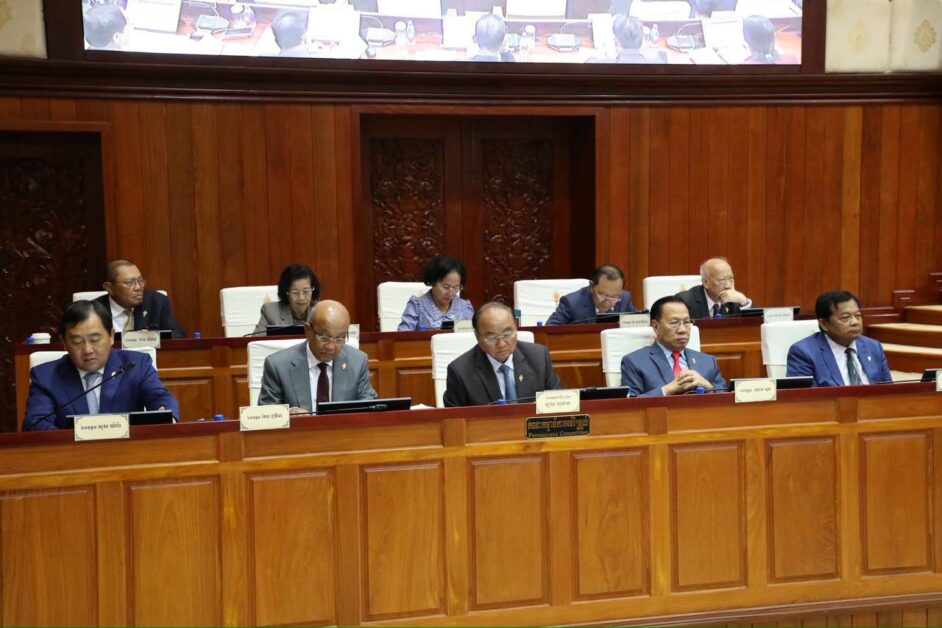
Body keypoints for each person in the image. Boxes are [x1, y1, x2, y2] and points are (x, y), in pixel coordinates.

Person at [23, 300, 179, 431]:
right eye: (77, 341)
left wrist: (165, 414)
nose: (87, 350)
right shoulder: (45, 376)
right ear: (64, 343)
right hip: (71, 454)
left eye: (95, 339)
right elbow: (36, 422)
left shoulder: (135, 365)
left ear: (111, 336)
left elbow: (159, 397)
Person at [258, 300, 376, 413]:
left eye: (339, 339)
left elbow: (369, 407)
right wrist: (287, 413)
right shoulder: (278, 366)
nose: (331, 347)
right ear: (308, 331)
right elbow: (266, 413)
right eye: (324, 338)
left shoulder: (358, 362)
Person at [443, 302, 561, 407]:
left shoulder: (539, 357)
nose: (501, 344)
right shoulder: (460, 372)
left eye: (507, 334)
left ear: (516, 328)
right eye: (491, 337)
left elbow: (558, 403)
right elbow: (454, 419)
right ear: (477, 336)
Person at [620, 296, 726, 396]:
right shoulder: (634, 362)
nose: (682, 330)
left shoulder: (708, 361)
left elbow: (727, 396)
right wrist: (667, 390)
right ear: (655, 326)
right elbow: (630, 403)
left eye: (686, 322)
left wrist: (708, 387)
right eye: (674, 323)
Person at [786, 291, 892, 386]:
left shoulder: (873, 347)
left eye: (857, 316)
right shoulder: (804, 352)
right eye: (845, 318)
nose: (855, 322)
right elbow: (806, 398)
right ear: (824, 324)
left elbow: (889, 391)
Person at [94, 260, 186, 338]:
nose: (138, 287)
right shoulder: (94, 310)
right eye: (130, 282)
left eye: (140, 280)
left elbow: (177, 334)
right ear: (109, 288)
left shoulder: (156, 302)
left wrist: (150, 337)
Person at [398, 256, 474, 331]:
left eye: (455, 287)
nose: (450, 293)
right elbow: (403, 336)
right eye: (446, 287)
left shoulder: (465, 308)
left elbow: (473, 335)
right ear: (433, 282)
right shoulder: (416, 306)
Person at [546, 264, 637, 325]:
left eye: (614, 297)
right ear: (592, 286)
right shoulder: (571, 303)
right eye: (603, 295)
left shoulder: (625, 298)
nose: (607, 302)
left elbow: (637, 324)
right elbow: (550, 328)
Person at [676, 257, 752, 319]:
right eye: (722, 280)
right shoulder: (685, 302)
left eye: (731, 279)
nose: (728, 286)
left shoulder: (735, 300)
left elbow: (755, 323)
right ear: (705, 282)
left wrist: (744, 302)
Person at [254, 263, 321, 334]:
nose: (301, 297)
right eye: (295, 292)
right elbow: (256, 339)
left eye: (306, 291)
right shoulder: (270, 312)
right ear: (286, 292)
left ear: (313, 290)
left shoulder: (321, 312)